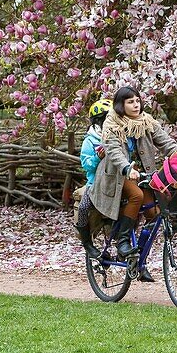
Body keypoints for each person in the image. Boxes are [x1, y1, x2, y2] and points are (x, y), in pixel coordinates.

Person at [91, 86, 177, 281]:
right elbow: (113, 152)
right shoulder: (111, 124)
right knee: (136, 196)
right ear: (121, 105)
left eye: (137, 100)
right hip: (118, 175)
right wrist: (127, 169)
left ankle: (138, 259)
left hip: (144, 175)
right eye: (130, 102)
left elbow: (166, 142)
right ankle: (122, 241)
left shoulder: (146, 122)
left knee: (154, 215)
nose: (135, 105)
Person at [74, 98, 111, 259]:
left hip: (116, 181)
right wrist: (98, 157)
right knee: (84, 207)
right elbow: (86, 165)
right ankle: (87, 242)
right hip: (95, 183)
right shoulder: (90, 140)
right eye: (107, 119)